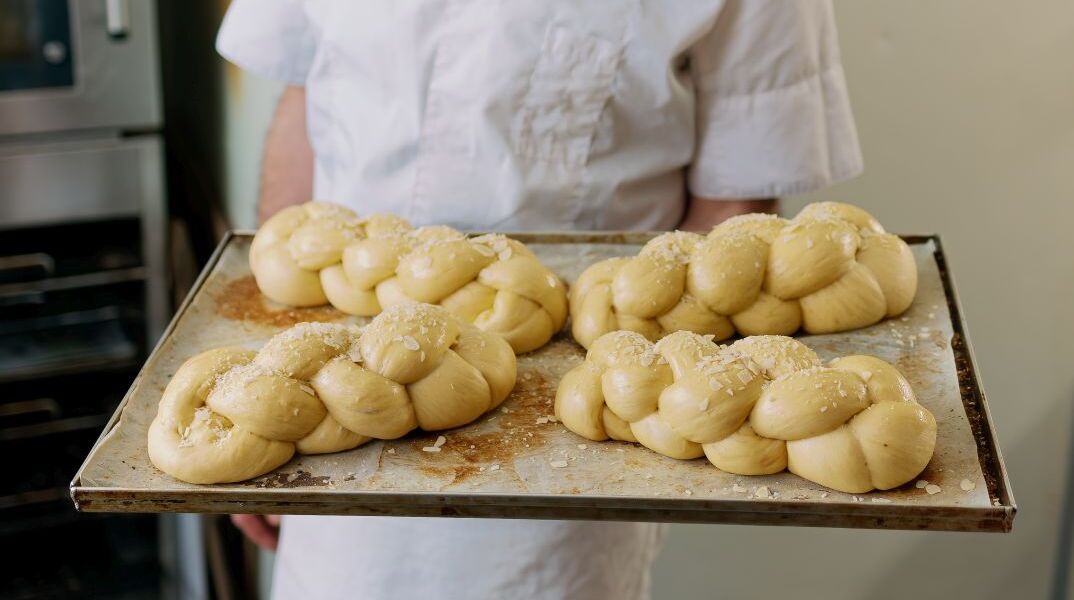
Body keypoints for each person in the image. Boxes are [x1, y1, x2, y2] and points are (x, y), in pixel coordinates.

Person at [218, 1, 862, 598]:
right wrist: (263, 399)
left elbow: (734, 207)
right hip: (332, 379)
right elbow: (305, 95)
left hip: (571, 427)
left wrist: (661, 390)